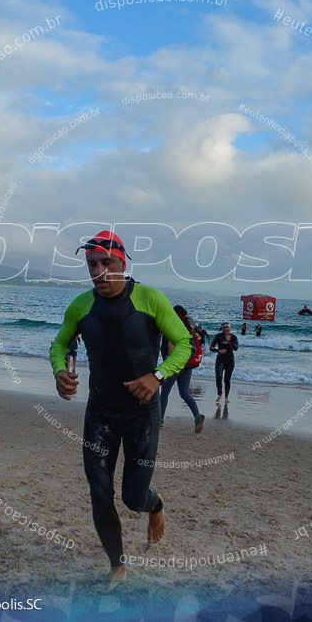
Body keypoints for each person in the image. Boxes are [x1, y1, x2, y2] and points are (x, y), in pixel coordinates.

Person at [50, 230, 192, 584]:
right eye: (91, 265)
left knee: (132, 497)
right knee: (100, 494)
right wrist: (58, 372)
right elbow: (58, 344)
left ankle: (155, 504)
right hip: (100, 413)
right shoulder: (80, 306)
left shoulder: (149, 298)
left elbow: (184, 344)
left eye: (106, 263)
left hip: (142, 413)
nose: (99, 271)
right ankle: (117, 566)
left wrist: (157, 376)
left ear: (122, 263)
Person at [158, 305, 204, 433]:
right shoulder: (188, 328)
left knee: (165, 392)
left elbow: (171, 345)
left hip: (174, 365)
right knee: (185, 393)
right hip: (187, 366)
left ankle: (159, 421)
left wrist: (169, 361)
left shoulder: (173, 326)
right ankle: (196, 417)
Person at [210, 321, 238, 402]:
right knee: (218, 377)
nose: (226, 329)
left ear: (230, 328)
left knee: (227, 379)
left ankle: (226, 397)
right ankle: (220, 395)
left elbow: (236, 348)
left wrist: (229, 341)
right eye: (224, 328)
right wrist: (218, 351)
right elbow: (211, 347)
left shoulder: (233, 337)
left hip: (230, 360)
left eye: (227, 327)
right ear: (222, 329)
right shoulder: (218, 336)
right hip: (220, 359)